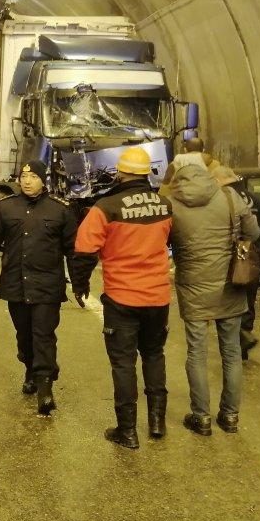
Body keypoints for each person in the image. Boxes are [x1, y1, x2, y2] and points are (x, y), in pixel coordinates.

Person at [75, 147, 173, 449]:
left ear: (121, 172)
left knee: (123, 363)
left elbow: (84, 252)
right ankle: (157, 423)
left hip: (122, 298)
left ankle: (127, 431)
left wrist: (80, 287)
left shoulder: (106, 207)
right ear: (146, 173)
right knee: (154, 355)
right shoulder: (164, 204)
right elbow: (170, 242)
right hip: (158, 297)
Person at [0, 161, 91, 414]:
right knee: (24, 336)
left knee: (44, 336)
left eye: (33, 176)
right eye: (23, 176)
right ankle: (30, 368)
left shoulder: (60, 210)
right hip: (15, 285)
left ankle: (45, 388)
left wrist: (79, 284)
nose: (27, 181)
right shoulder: (6, 208)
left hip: (47, 287)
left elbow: (73, 251)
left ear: (43, 180)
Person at [166, 165, 259, 436]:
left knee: (197, 352)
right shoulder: (230, 197)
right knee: (231, 352)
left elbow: (163, 240)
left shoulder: (171, 204)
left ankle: (201, 417)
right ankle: (230, 416)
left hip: (193, 283)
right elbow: (252, 234)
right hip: (229, 283)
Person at [212, 166, 260, 360]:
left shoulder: (224, 198)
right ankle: (245, 334)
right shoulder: (255, 199)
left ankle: (238, 340)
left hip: (234, 250)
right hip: (251, 252)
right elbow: (256, 229)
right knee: (248, 295)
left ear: (220, 181)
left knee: (230, 295)